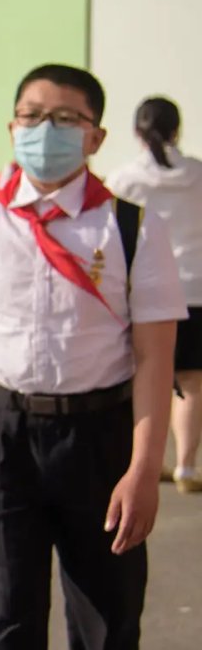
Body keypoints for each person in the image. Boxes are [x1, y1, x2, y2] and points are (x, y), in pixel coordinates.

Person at [0, 65, 185, 650]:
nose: (45, 130)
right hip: (1, 438)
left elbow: (155, 359)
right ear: (11, 127)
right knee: (6, 618)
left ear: (95, 137)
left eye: (66, 118)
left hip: (99, 439)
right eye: (32, 115)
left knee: (106, 622)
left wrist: (144, 468)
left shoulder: (131, 228)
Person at [108, 96, 202, 494]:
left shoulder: (124, 180)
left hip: (144, 293)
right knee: (192, 383)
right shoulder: (198, 174)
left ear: (136, 132)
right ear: (177, 130)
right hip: (196, 288)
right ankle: (186, 467)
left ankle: (148, 460)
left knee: (147, 377)